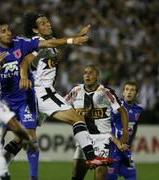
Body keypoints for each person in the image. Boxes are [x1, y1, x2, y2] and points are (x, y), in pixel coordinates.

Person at [0, 15, 89, 179]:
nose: (8, 33)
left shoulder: (25, 42)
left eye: (8, 29)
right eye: (3, 32)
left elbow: (51, 43)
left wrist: (74, 38)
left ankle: (10, 173)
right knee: (2, 140)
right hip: (19, 97)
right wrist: (9, 70)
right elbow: (16, 65)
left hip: (27, 97)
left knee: (25, 139)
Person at [19, 12, 121, 169]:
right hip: (42, 92)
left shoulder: (50, 41)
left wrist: (76, 36)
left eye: (48, 21)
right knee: (77, 119)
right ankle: (91, 157)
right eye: (43, 23)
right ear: (35, 30)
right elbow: (25, 61)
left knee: (22, 137)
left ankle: (1, 164)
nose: (48, 24)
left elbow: (58, 44)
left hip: (38, 94)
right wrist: (23, 76)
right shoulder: (36, 42)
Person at [64, 65, 129, 180]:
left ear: (97, 76)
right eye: (85, 72)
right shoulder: (76, 90)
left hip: (102, 139)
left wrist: (125, 133)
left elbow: (123, 111)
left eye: (91, 73)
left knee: (100, 175)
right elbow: (62, 107)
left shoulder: (106, 92)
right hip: (84, 139)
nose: (87, 75)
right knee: (76, 175)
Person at [106, 81, 143, 180]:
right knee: (110, 177)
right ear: (123, 92)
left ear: (136, 93)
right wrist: (117, 142)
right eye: (127, 90)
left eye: (132, 90)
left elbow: (134, 126)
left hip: (126, 150)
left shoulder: (139, 109)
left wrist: (129, 142)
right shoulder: (117, 107)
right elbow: (105, 128)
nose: (129, 92)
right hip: (113, 149)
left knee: (132, 175)